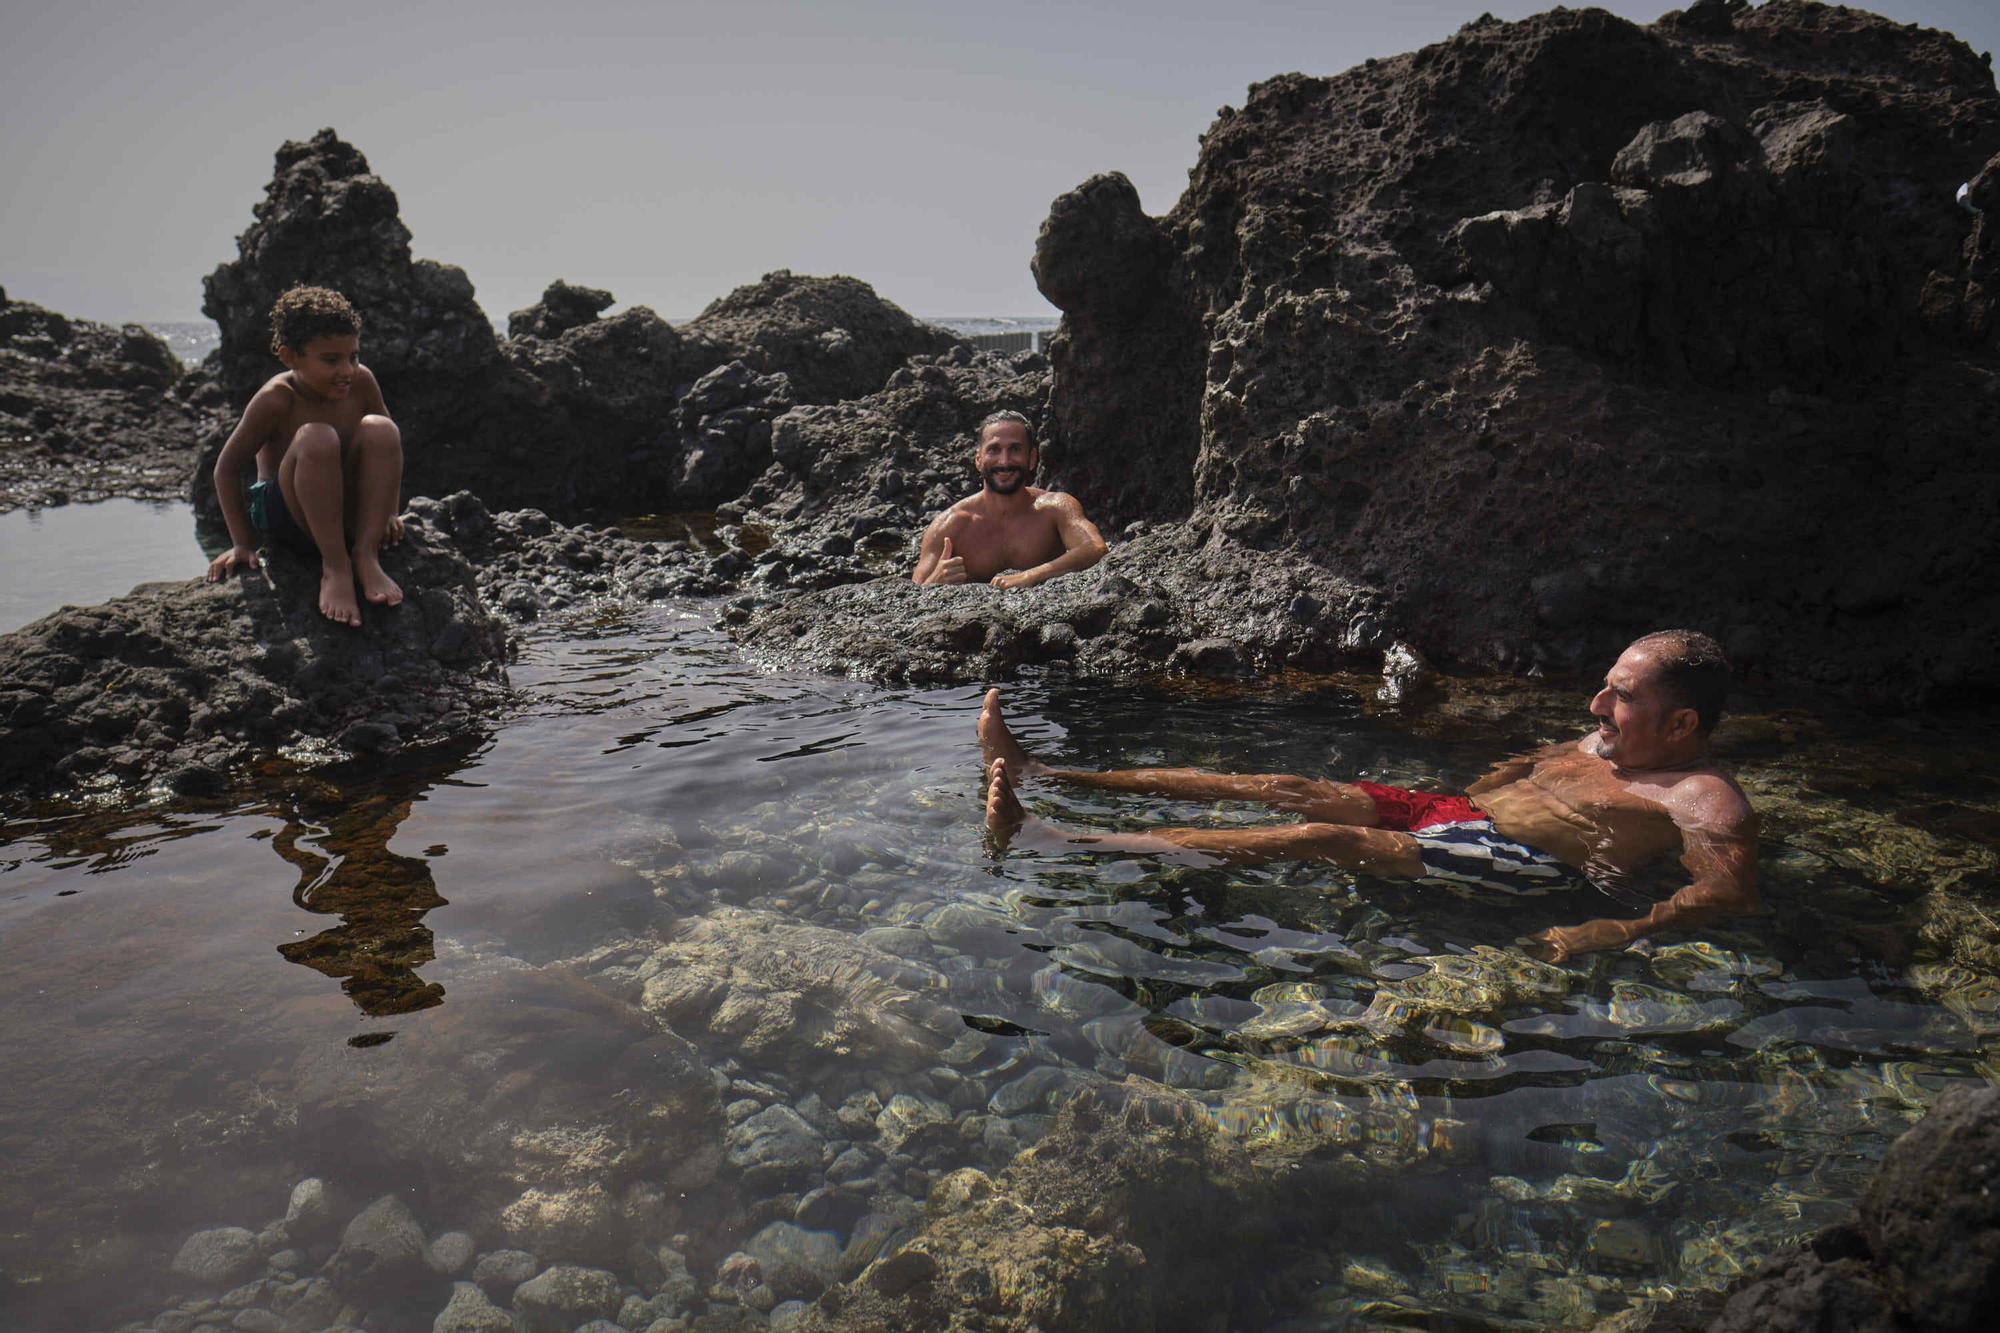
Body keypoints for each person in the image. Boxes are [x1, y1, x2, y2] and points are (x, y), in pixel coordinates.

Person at [978, 630, 1758, 963]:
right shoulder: (1602, 739)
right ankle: (1049, 772)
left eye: (1619, 695)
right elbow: (1531, 764)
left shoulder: (1702, 798)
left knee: (1327, 834)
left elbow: (1721, 896)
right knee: (1289, 786)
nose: (1595, 704)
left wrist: (1608, 931)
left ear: (1682, 722)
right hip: (1466, 813)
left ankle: (1061, 840)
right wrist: (1473, 787)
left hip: (1529, 861)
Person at [204, 285, 404, 627]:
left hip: (343, 513)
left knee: (382, 428)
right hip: (289, 519)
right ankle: (335, 568)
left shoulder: (362, 382)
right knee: (317, 437)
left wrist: (388, 512)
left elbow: (385, 452)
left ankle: (365, 555)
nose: (347, 370)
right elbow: (227, 469)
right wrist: (242, 544)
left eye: (353, 356)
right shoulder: (276, 399)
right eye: (331, 360)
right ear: (289, 356)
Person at [912, 410, 1108, 589]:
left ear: (1032, 459)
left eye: (1014, 449)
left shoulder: (1055, 508)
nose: (1004, 461)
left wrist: (1030, 576)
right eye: (994, 450)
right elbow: (913, 595)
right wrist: (935, 581)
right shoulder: (950, 525)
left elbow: (1094, 548)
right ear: (978, 459)